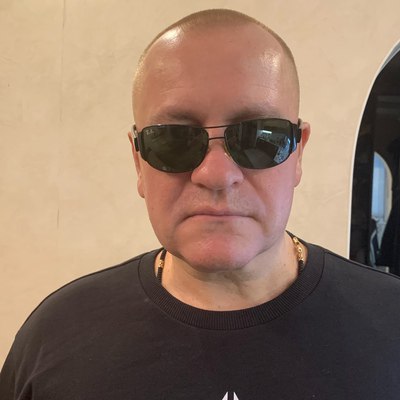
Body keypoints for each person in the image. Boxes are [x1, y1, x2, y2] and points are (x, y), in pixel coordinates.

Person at [1, 8, 400, 400]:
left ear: (297, 154)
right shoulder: (55, 337)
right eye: (173, 139)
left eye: (259, 137)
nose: (216, 174)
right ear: (139, 161)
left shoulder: (390, 323)